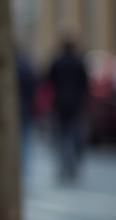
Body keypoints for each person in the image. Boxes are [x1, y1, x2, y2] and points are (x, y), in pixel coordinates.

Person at [47, 35, 89, 183]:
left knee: (62, 136)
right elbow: (85, 83)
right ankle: (72, 164)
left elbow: (48, 79)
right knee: (74, 133)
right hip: (76, 103)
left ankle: (65, 164)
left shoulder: (57, 62)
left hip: (60, 103)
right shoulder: (79, 62)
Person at [16, 46, 39, 185]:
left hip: (16, 111)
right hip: (25, 109)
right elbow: (34, 85)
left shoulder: (11, 68)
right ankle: (22, 171)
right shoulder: (26, 68)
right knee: (24, 142)